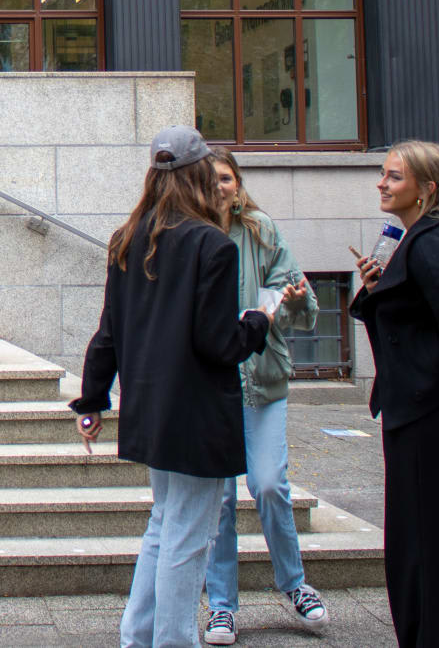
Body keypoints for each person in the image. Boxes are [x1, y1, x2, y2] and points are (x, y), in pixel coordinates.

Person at [72, 126, 273, 648]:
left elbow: (108, 331)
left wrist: (92, 400)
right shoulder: (212, 244)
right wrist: (258, 322)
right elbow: (219, 343)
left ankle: (138, 637)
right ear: (201, 173)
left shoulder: (129, 237)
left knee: (164, 526)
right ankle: (171, 640)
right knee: (187, 536)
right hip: (197, 412)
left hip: (150, 406)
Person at [351, 140, 439, 648]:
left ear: (426, 189)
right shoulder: (420, 238)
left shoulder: (430, 243)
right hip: (429, 409)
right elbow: (423, 316)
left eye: (394, 176)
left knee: (421, 543)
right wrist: (379, 290)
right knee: (438, 538)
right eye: (383, 173)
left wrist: (434, 376)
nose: (382, 183)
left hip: (427, 412)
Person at [201, 150, 328, 645]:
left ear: (238, 183)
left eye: (226, 178)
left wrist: (290, 302)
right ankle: (221, 607)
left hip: (261, 380)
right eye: (209, 179)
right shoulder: (189, 232)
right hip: (211, 386)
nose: (218, 187)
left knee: (270, 484)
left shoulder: (261, 231)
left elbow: (300, 301)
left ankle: (295, 584)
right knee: (220, 499)